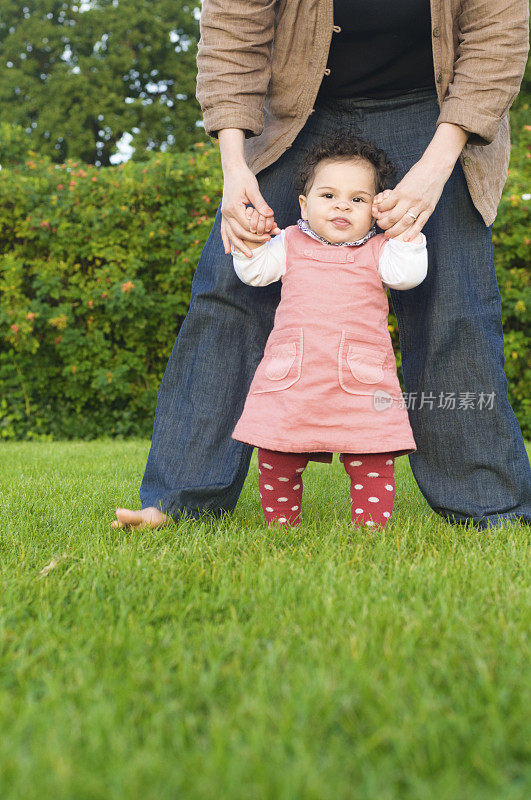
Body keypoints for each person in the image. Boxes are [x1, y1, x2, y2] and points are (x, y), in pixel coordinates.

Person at [112, 0, 531, 531]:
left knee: (455, 300)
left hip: (433, 112)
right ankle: (177, 500)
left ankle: (489, 508)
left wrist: (435, 168)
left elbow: (497, 40)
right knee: (228, 292)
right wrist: (235, 167)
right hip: (296, 109)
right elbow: (233, 31)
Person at [230, 131, 428, 529]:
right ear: (304, 204)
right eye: (328, 195)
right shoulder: (288, 242)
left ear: (376, 209)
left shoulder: (380, 250)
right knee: (278, 451)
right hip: (295, 377)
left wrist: (405, 234)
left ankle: (370, 530)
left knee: (373, 452)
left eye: (358, 199)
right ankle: (282, 526)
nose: (342, 205)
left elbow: (407, 276)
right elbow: (254, 273)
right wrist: (249, 240)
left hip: (361, 379)